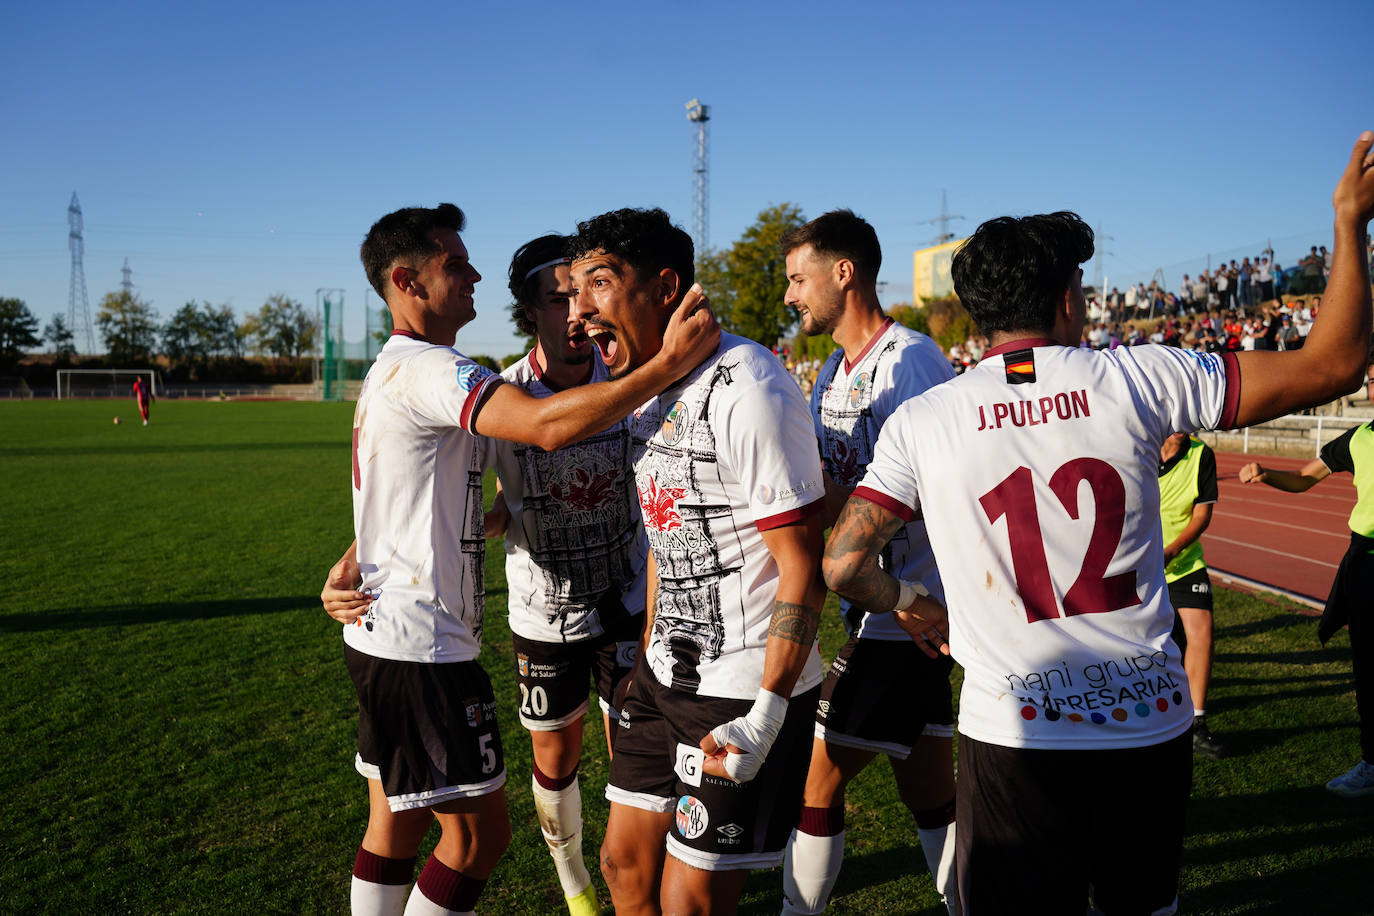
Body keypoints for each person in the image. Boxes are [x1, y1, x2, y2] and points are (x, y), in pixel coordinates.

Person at [819, 132, 1374, 913]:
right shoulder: (1139, 375)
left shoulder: (926, 418)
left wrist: (914, 606)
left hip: (1012, 728)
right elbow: (1334, 365)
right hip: (1145, 723)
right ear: (1065, 300)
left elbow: (843, 564)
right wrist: (1349, 222)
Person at [319, 204, 718, 916]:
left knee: (398, 820)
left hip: (401, 631)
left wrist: (358, 553)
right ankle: (582, 893)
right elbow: (541, 428)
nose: (469, 273)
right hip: (424, 641)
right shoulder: (442, 372)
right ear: (407, 280)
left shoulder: (401, 371)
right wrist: (667, 364)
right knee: (476, 840)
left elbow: (418, 490)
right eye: (454, 264)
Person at [567, 207, 827, 915]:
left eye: (598, 282)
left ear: (664, 287)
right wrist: (645, 658)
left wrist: (769, 712)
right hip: (661, 679)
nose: (578, 308)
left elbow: (802, 564)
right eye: (571, 290)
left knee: (692, 903)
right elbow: (662, 535)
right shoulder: (649, 390)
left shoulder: (751, 386)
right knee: (623, 869)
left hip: (742, 687)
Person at [775, 210, 959, 915]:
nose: (792, 296)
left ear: (843, 273)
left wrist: (905, 592)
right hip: (875, 602)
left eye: (799, 278)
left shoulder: (910, 360)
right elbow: (835, 486)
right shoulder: (832, 368)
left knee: (817, 777)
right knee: (928, 788)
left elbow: (941, 483)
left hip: (910, 608)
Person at [482, 234, 650, 916]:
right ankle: (577, 888)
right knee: (556, 762)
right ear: (529, 312)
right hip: (544, 613)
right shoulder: (502, 401)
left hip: (632, 602)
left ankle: (630, 874)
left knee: (635, 764)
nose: (575, 315)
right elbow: (468, 498)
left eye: (581, 297)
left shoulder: (630, 384)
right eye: (558, 301)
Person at [1238, 435, 1374, 798]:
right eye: (1373, 380)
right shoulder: (1359, 437)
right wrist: (1266, 474)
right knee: (1366, 666)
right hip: (1365, 561)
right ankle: (1372, 763)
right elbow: (1304, 476)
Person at [1158, 432, 1224, 758]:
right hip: (1137, 565)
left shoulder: (1201, 455)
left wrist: (1172, 551)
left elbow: (1202, 516)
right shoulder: (1137, 443)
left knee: (1202, 632)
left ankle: (1197, 724)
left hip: (1183, 563)